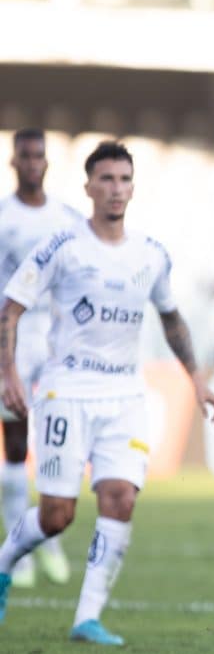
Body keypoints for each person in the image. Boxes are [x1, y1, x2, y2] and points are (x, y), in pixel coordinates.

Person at [0, 140, 214, 644]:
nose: (116, 189)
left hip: (125, 395)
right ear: (88, 187)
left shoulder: (151, 254)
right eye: (106, 179)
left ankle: (87, 617)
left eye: (124, 179)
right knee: (57, 516)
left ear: (133, 187)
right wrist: (8, 374)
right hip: (66, 392)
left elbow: (172, 319)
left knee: (121, 498)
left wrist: (198, 381)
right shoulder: (62, 246)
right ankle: (4, 563)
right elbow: (11, 308)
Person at [0, 129, 81, 590]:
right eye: (25, 156)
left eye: (39, 156)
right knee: (14, 443)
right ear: (14, 162)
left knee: (55, 442)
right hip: (12, 337)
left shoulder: (65, 218)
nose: (33, 163)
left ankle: (46, 538)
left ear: (47, 162)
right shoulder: (3, 217)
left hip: (54, 342)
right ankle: (21, 549)